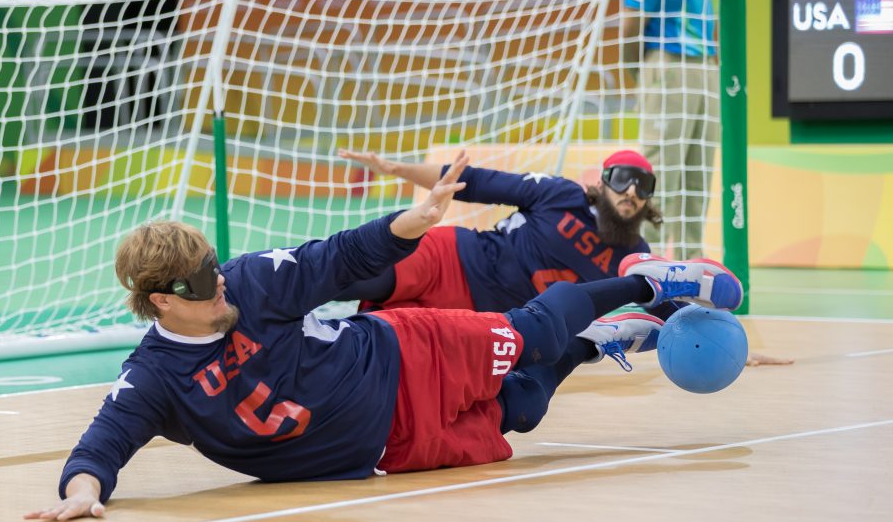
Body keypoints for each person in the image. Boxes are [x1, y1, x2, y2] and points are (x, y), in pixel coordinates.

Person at [25, 151, 744, 521]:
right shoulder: (153, 379)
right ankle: (607, 339)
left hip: (405, 353)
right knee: (521, 410)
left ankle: (650, 287)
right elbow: (101, 446)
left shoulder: (247, 283)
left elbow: (336, 257)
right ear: (158, 302)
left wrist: (410, 219)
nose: (220, 283)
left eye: (214, 267)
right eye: (198, 284)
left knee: (527, 334)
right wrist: (82, 490)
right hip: (386, 450)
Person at [335, 148, 789, 368]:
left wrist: (736, 349)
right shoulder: (561, 195)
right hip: (452, 258)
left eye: (643, 186)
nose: (631, 192)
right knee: (354, 279)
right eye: (623, 179)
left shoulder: (635, 259)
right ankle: (270, 289)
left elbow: (676, 314)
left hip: (471, 318)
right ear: (603, 182)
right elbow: (470, 180)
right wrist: (396, 169)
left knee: (368, 342)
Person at [621, 0, 722, 260]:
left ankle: (691, 262)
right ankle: (644, 261)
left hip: (706, 69)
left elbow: (714, 25)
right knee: (661, 171)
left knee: (699, 171)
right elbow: (632, 21)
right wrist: (643, 73)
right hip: (667, 64)